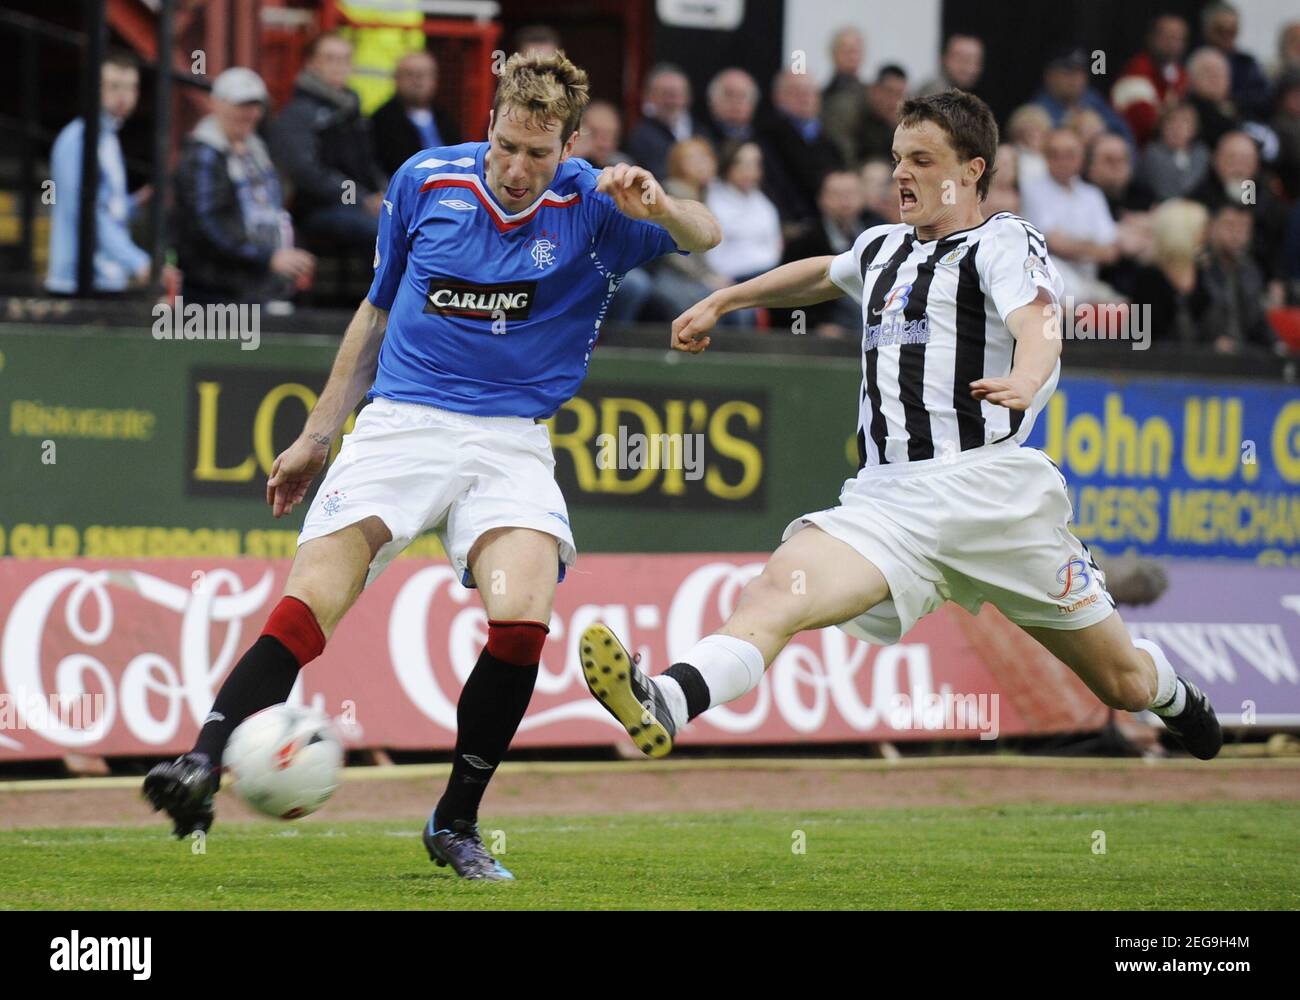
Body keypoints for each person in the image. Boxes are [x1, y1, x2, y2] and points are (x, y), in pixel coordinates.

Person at [142, 50, 721, 879]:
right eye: (507, 147)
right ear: (488, 126)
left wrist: (662, 207)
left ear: (569, 145)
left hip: (512, 437)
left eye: (539, 152)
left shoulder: (596, 203)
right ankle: (199, 760)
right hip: (402, 423)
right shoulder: (425, 181)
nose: (519, 170)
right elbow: (376, 310)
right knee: (316, 594)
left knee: (523, 618)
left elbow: (709, 232)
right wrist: (318, 432)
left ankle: (455, 822)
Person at [577, 89, 1221, 765]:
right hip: (889, 503)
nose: (901, 174)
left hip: (992, 497)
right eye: (896, 158)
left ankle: (1174, 697)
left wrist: (1028, 378)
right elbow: (822, 275)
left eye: (922, 158)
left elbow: (1039, 321)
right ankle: (666, 700)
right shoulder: (882, 247)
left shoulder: (1002, 241)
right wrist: (727, 298)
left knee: (1121, 682)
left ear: (972, 170)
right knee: (776, 589)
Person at [173, 67, 315, 306]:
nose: (250, 114)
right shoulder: (205, 155)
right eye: (240, 105)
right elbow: (208, 224)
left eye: (255, 106)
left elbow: (273, 210)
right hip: (220, 288)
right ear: (216, 104)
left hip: (258, 280)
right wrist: (267, 257)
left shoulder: (256, 151)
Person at [45, 50, 152, 295]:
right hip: (77, 282)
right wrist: (137, 261)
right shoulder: (79, 139)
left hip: (106, 278)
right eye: (114, 86)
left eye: (131, 87)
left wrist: (136, 202)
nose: (123, 96)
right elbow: (85, 212)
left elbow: (106, 207)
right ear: (95, 88)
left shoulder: (108, 138)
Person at [268, 32, 386, 251]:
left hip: (359, 205)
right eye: (330, 59)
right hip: (318, 209)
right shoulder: (298, 114)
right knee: (385, 232)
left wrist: (384, 195)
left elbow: (369, 163)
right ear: (311, 64)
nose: (338, 66)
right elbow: (307, 172)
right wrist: (362, 199)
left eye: (344, 59)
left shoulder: (353, 111)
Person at [370, 50, 460, 178]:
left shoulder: (445, 119)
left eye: (424, 74)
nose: (418, 81)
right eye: (410, 74)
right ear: (396, 78)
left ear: (435, 80)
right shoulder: (380, 122)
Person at [625, 64, 695, 180]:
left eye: (678, 94)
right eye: (667, 94)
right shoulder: (641, 136)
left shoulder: (700, 131)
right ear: (649, 96)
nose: (673, 101)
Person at [914, 34, 984, 98]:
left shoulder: (960, 93)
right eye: (962, 60)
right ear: (944, 58)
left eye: (975, 62)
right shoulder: (935, 92)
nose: (969, 68)